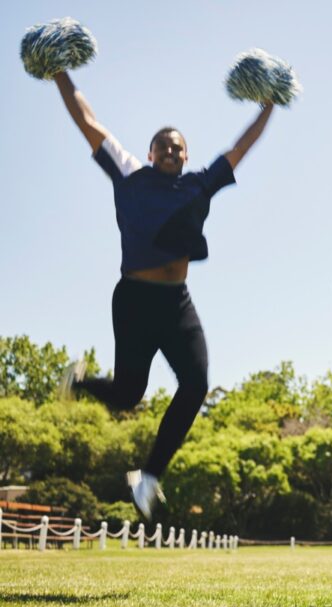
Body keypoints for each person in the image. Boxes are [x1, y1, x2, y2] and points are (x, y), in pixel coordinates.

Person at [50, 69, 275, 518]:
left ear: (186, 155)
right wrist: (59, 71)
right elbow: (87, 121)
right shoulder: (130, 175)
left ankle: (149, 478)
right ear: (150, 153)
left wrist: (269, 104)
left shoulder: (199, 184)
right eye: (163, 146)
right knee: (128, 396)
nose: (171, 151)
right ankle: (79, 382)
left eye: (178, 147)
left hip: (176, 303)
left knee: (196, 384)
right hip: (135, 300)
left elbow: (242, 147)